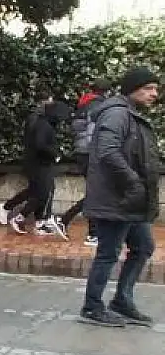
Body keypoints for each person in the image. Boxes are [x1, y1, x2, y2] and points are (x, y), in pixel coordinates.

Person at [79, 66, 160, 327]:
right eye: (148, 88)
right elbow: (107, 151)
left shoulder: (131, 115)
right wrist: (133, 181)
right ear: (132, 89)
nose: (154, 94)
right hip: (117, 198)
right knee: (108, 253)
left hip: (130, 199)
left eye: (155, 89)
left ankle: (122, 301)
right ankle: (92, 306)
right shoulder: (116, 114)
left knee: (143, 247)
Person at [0, 90, 72, 239]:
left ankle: (32, 218)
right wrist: (54, 153)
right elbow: (38, 143)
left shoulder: (42, 120)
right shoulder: (39, 120)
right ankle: (30, 218)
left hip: (38, 161)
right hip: (38, 162)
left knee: (38, 191)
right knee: (43, 191)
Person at [61, 79, 112, 245]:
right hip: (92, 153)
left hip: (81, 152)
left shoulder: (83, 105)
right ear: (106, 92)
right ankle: (92, 233)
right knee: (96, 192)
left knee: (95, 192)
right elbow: (94, 132)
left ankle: (66, 221)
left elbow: (76, 129)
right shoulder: (98, 106)